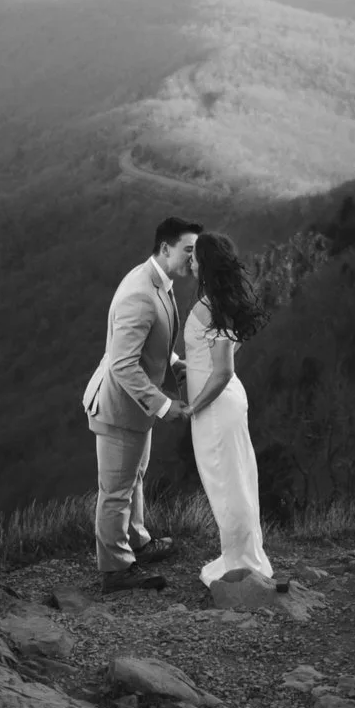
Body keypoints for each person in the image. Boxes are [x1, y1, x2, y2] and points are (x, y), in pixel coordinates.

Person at [81, 216, 200, 592]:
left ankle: (137, 542)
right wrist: (165, 405)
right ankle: (115, 571)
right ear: (166, 249)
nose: (193, 260)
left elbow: (155, 344)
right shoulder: (139, 292)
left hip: (134, 409)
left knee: (134, 479)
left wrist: (178, 365)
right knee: (115, 490)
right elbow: (122, 364)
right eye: (188, 251)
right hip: (118, 408)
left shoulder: (158, 282)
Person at [180, 229, 275, 587]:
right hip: (226, 402)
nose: (189, 261)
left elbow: (223, 371)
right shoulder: (219, 301)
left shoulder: (211, 307)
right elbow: (223, 356)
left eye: (194, 257)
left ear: (205, 262)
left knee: (228, 482)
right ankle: (240, 555)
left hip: (217, 408)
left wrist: (193, 408)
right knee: (235, 478)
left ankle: (242, 563)